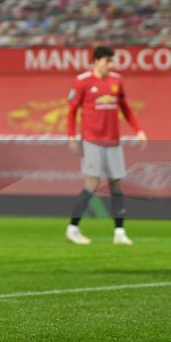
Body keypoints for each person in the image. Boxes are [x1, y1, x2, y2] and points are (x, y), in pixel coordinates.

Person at [66, 46, 146, 246]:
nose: (111, 65)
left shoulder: (117, 81)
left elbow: (125, 108)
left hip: (113, 142)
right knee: (91, 185)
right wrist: (71, 136)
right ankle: (73, 228)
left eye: (112, 61)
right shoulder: (83, 81)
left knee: (116, 186)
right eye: (108, 61)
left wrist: (138, 129)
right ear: (97, 61)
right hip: (92, 141)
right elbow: (72, 110)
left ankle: (119, 232)